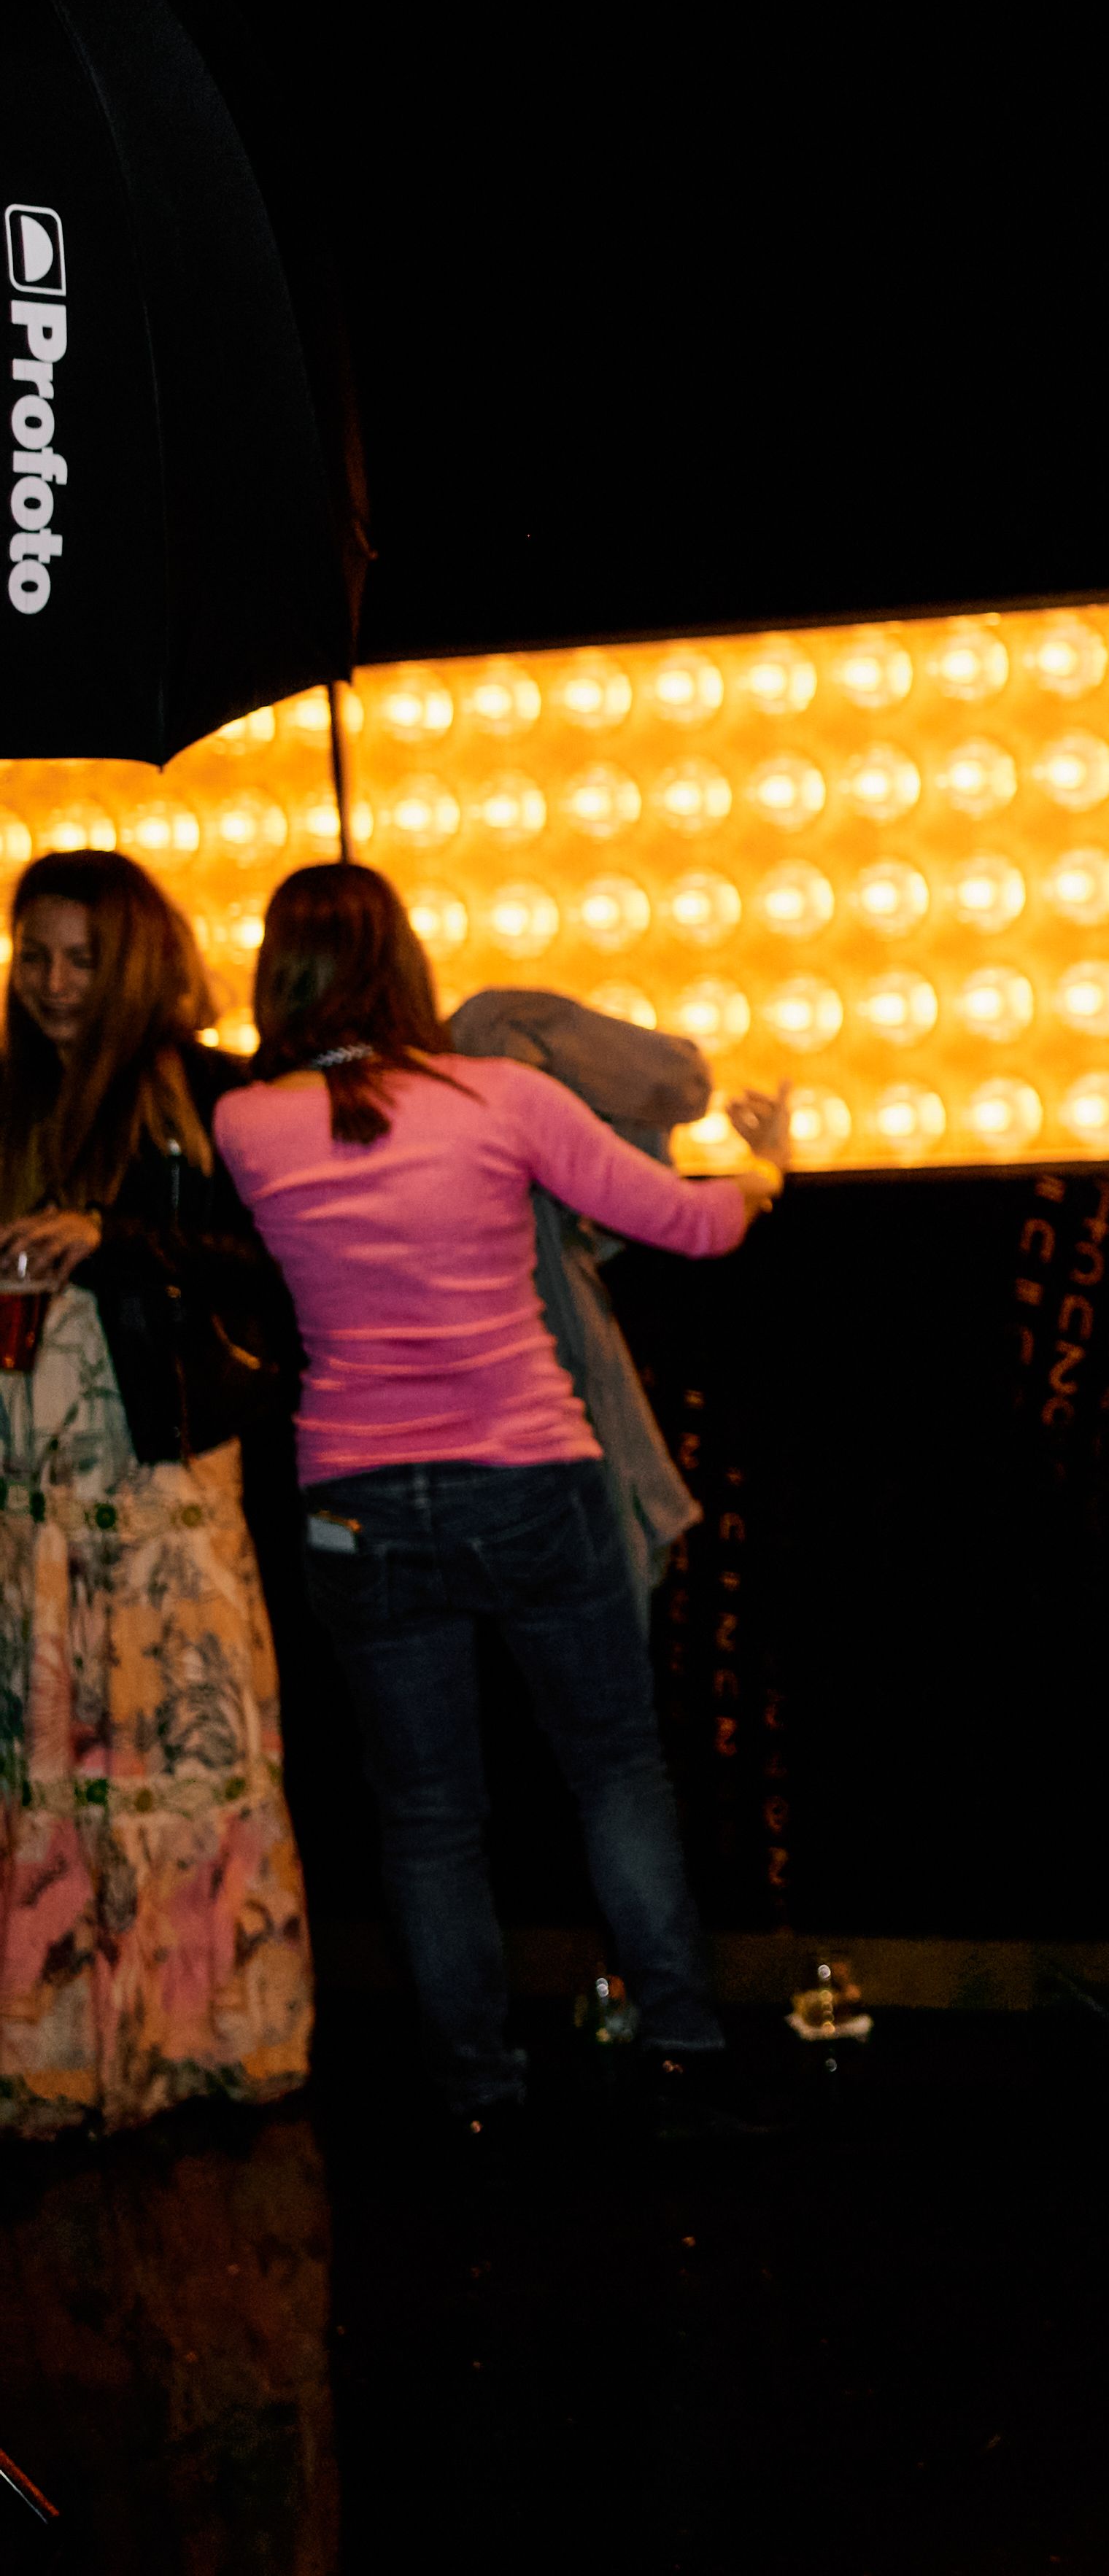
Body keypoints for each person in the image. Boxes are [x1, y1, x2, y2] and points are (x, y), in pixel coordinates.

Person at [214, 866, 789, 2132]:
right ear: (407, 965)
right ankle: (683, 2040)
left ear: (279, 975)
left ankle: (474, 2088)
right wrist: (763, 1176)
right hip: (527, 1474)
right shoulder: (500, 1096)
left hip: (354, 1501)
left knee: (426, 1819)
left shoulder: (247, 1126)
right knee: (615, 1773)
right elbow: (686, 1226)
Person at [0, 853, 311, 2135]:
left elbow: (279, 1275)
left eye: (82, 957)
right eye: (37, 955)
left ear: (131, 959)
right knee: (47, 1768)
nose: (58, 985)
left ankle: (194, 2043)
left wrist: (113, 1238)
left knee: (181, 1760)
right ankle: (61, 2051)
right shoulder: (7, 1093)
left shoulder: (208, 1095)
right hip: (29, 1491)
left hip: (164, 1486)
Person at [445, 988, 724, 1609]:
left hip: (385, 1469)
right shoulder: (499, 1057)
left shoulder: (283, 1118)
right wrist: (767, 1171)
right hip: (546, 1442)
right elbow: (692, 1214)